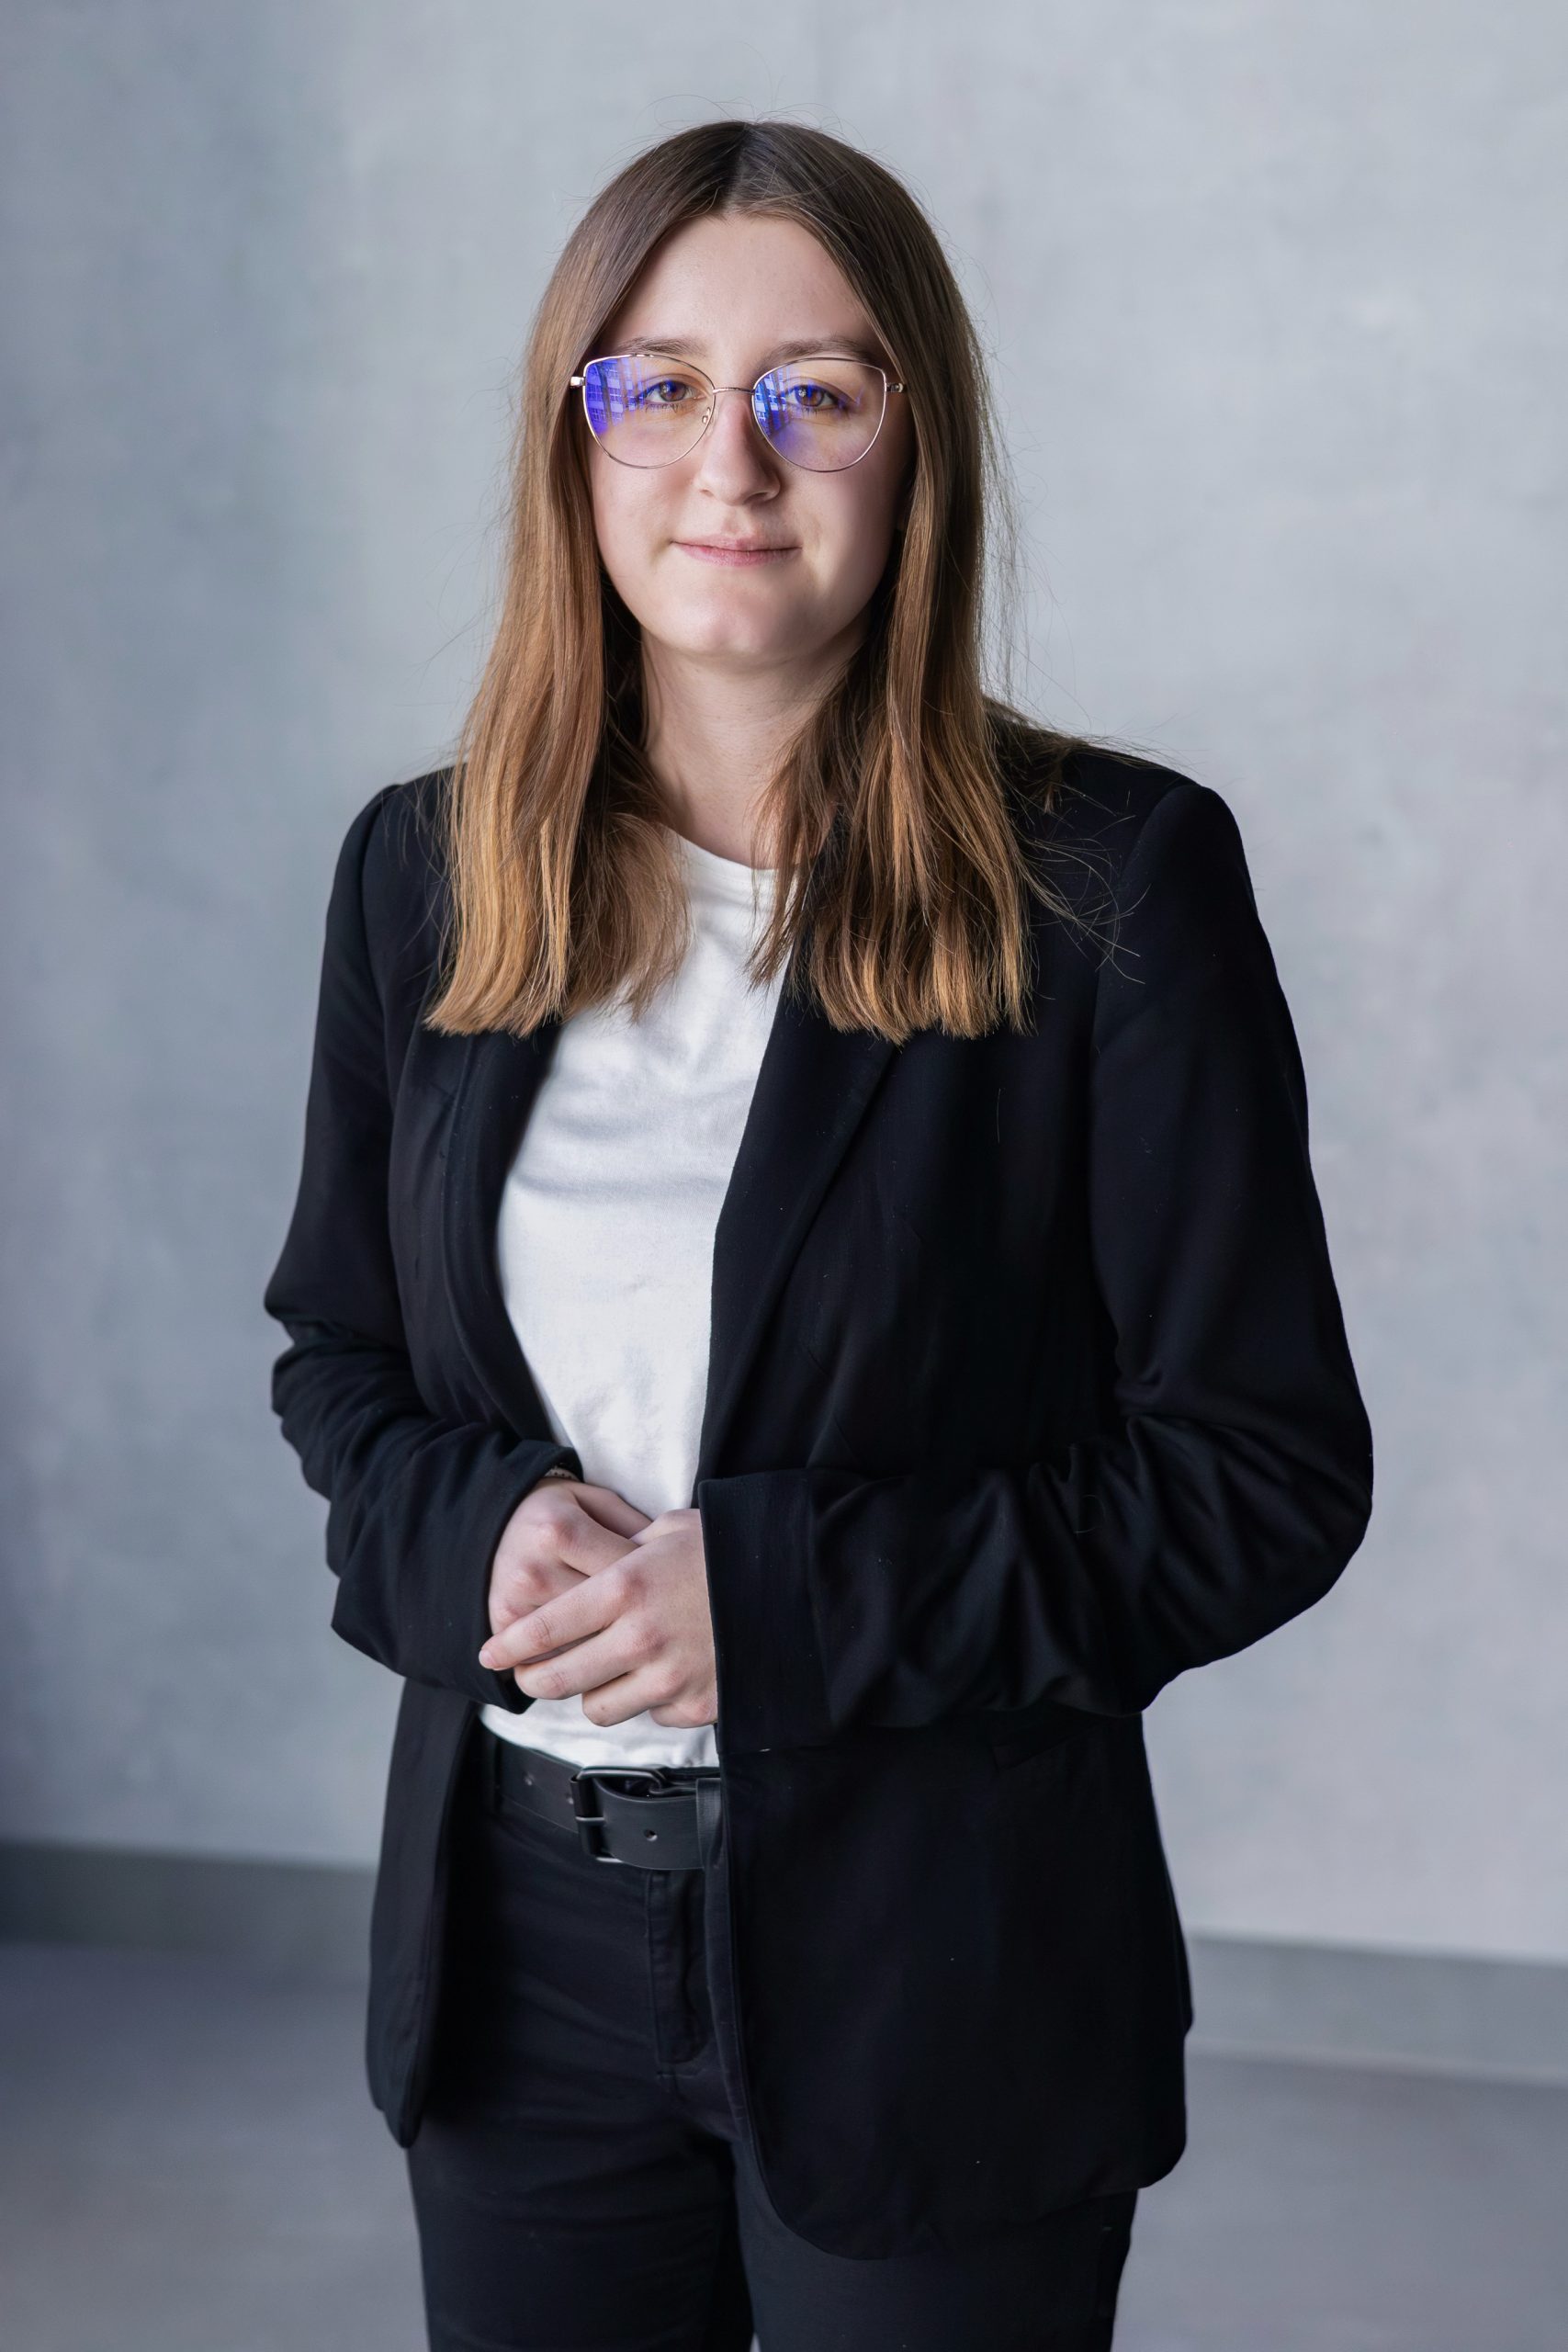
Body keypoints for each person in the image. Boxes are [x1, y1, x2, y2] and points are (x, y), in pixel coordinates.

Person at [264, 118, 1373, 2352]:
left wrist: (769, 1605)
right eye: (658, 385)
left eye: (815, 392)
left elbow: (1257, 1474)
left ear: (912, 443)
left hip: (937, 1971)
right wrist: (475, 1530)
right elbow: (340, 1364)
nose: (731, 463)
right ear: (573, 437)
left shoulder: (1110, 885)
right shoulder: (424, 874)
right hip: (514, 1970)